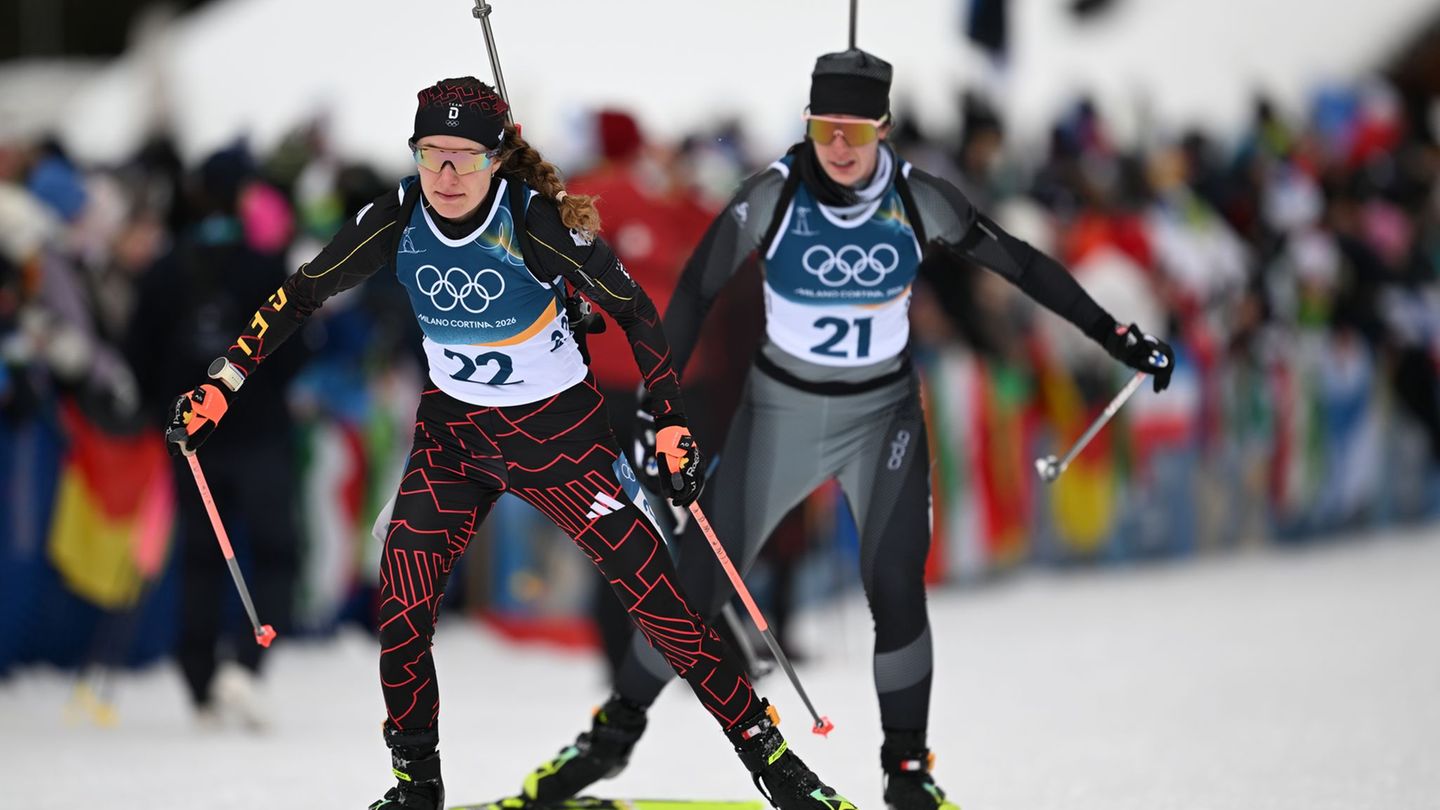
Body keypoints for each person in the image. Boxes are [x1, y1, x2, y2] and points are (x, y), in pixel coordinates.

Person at [162, 77, 855, 810]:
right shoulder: (399, 213)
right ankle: (415, 786)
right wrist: (225, 381)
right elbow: (303, 291)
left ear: (496, 159)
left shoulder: (535, 220)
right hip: (454, 441)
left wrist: (672, 419)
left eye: (464, 157)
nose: (447, 176)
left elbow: (639, 312)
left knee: (664, 608)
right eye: (432, 155)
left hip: (558, 441)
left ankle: (779, 770)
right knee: (401, 602)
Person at [520, 51, 1174, 810]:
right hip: (781, 412)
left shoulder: (919, 198)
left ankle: (907, 774)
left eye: (854, 132)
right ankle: (611, 737)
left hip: (881, 417)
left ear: (882, 130)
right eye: (826, 129)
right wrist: (661, 401)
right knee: (692, 586)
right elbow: (697, 288)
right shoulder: (772, 193)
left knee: (895, 585)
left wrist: (1113, 334)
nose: (838, 147)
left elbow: (1022, 266)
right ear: (809, 125)